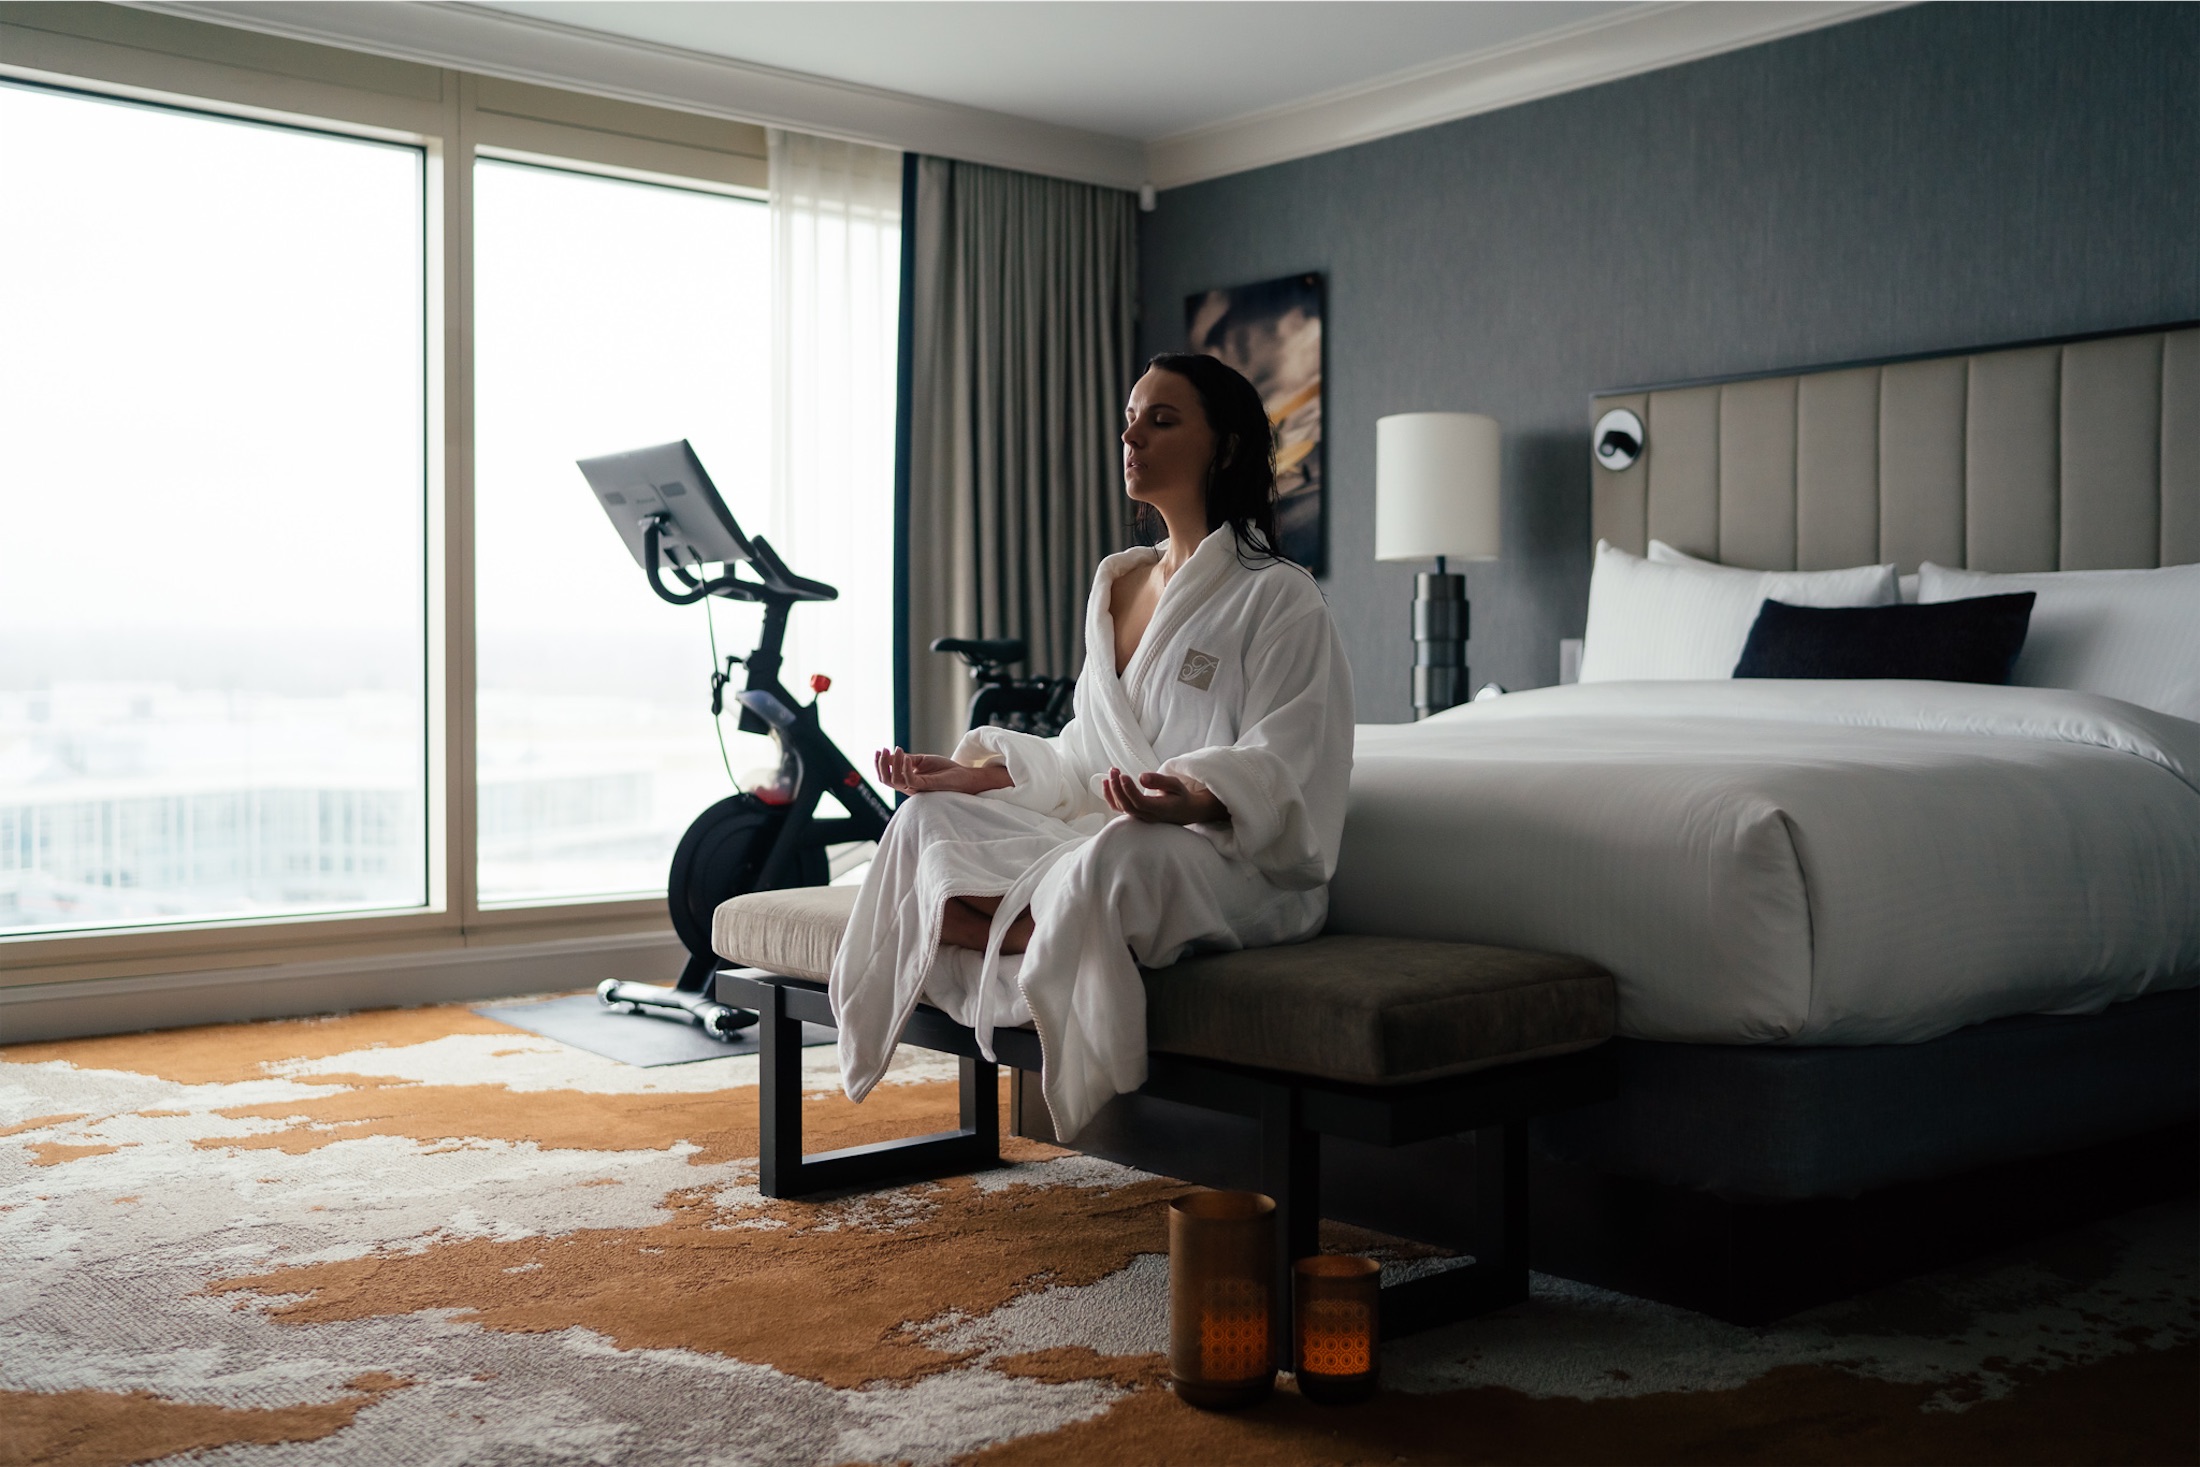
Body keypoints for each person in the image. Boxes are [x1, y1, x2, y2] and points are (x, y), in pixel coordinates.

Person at [829, 353, 1355, 1139]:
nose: (1131, 436)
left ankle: (988, 926)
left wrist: (1195, 794)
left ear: (1228, 447)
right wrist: (976, 777)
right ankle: (1030, 927)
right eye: (1130, 419)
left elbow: (1292, 754)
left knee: (1123, 855)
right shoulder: (1118, 585)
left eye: (1162, 420)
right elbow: (1084, 753)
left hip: (1229, 856)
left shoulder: (1278, 595)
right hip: (1110, 826)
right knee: (924, 823)